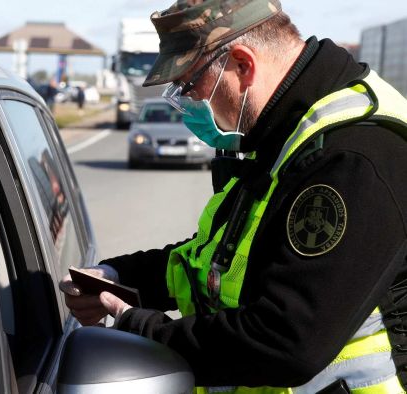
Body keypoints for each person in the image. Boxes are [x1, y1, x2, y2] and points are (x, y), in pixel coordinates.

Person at [60, 0, 407, 392]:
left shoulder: (353, 156)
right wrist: (119, 277)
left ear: (243, 65)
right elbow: (218, 262)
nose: (187, 105)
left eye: (190, 86)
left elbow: (286, 340)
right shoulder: (285, 136)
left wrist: (137, 328)